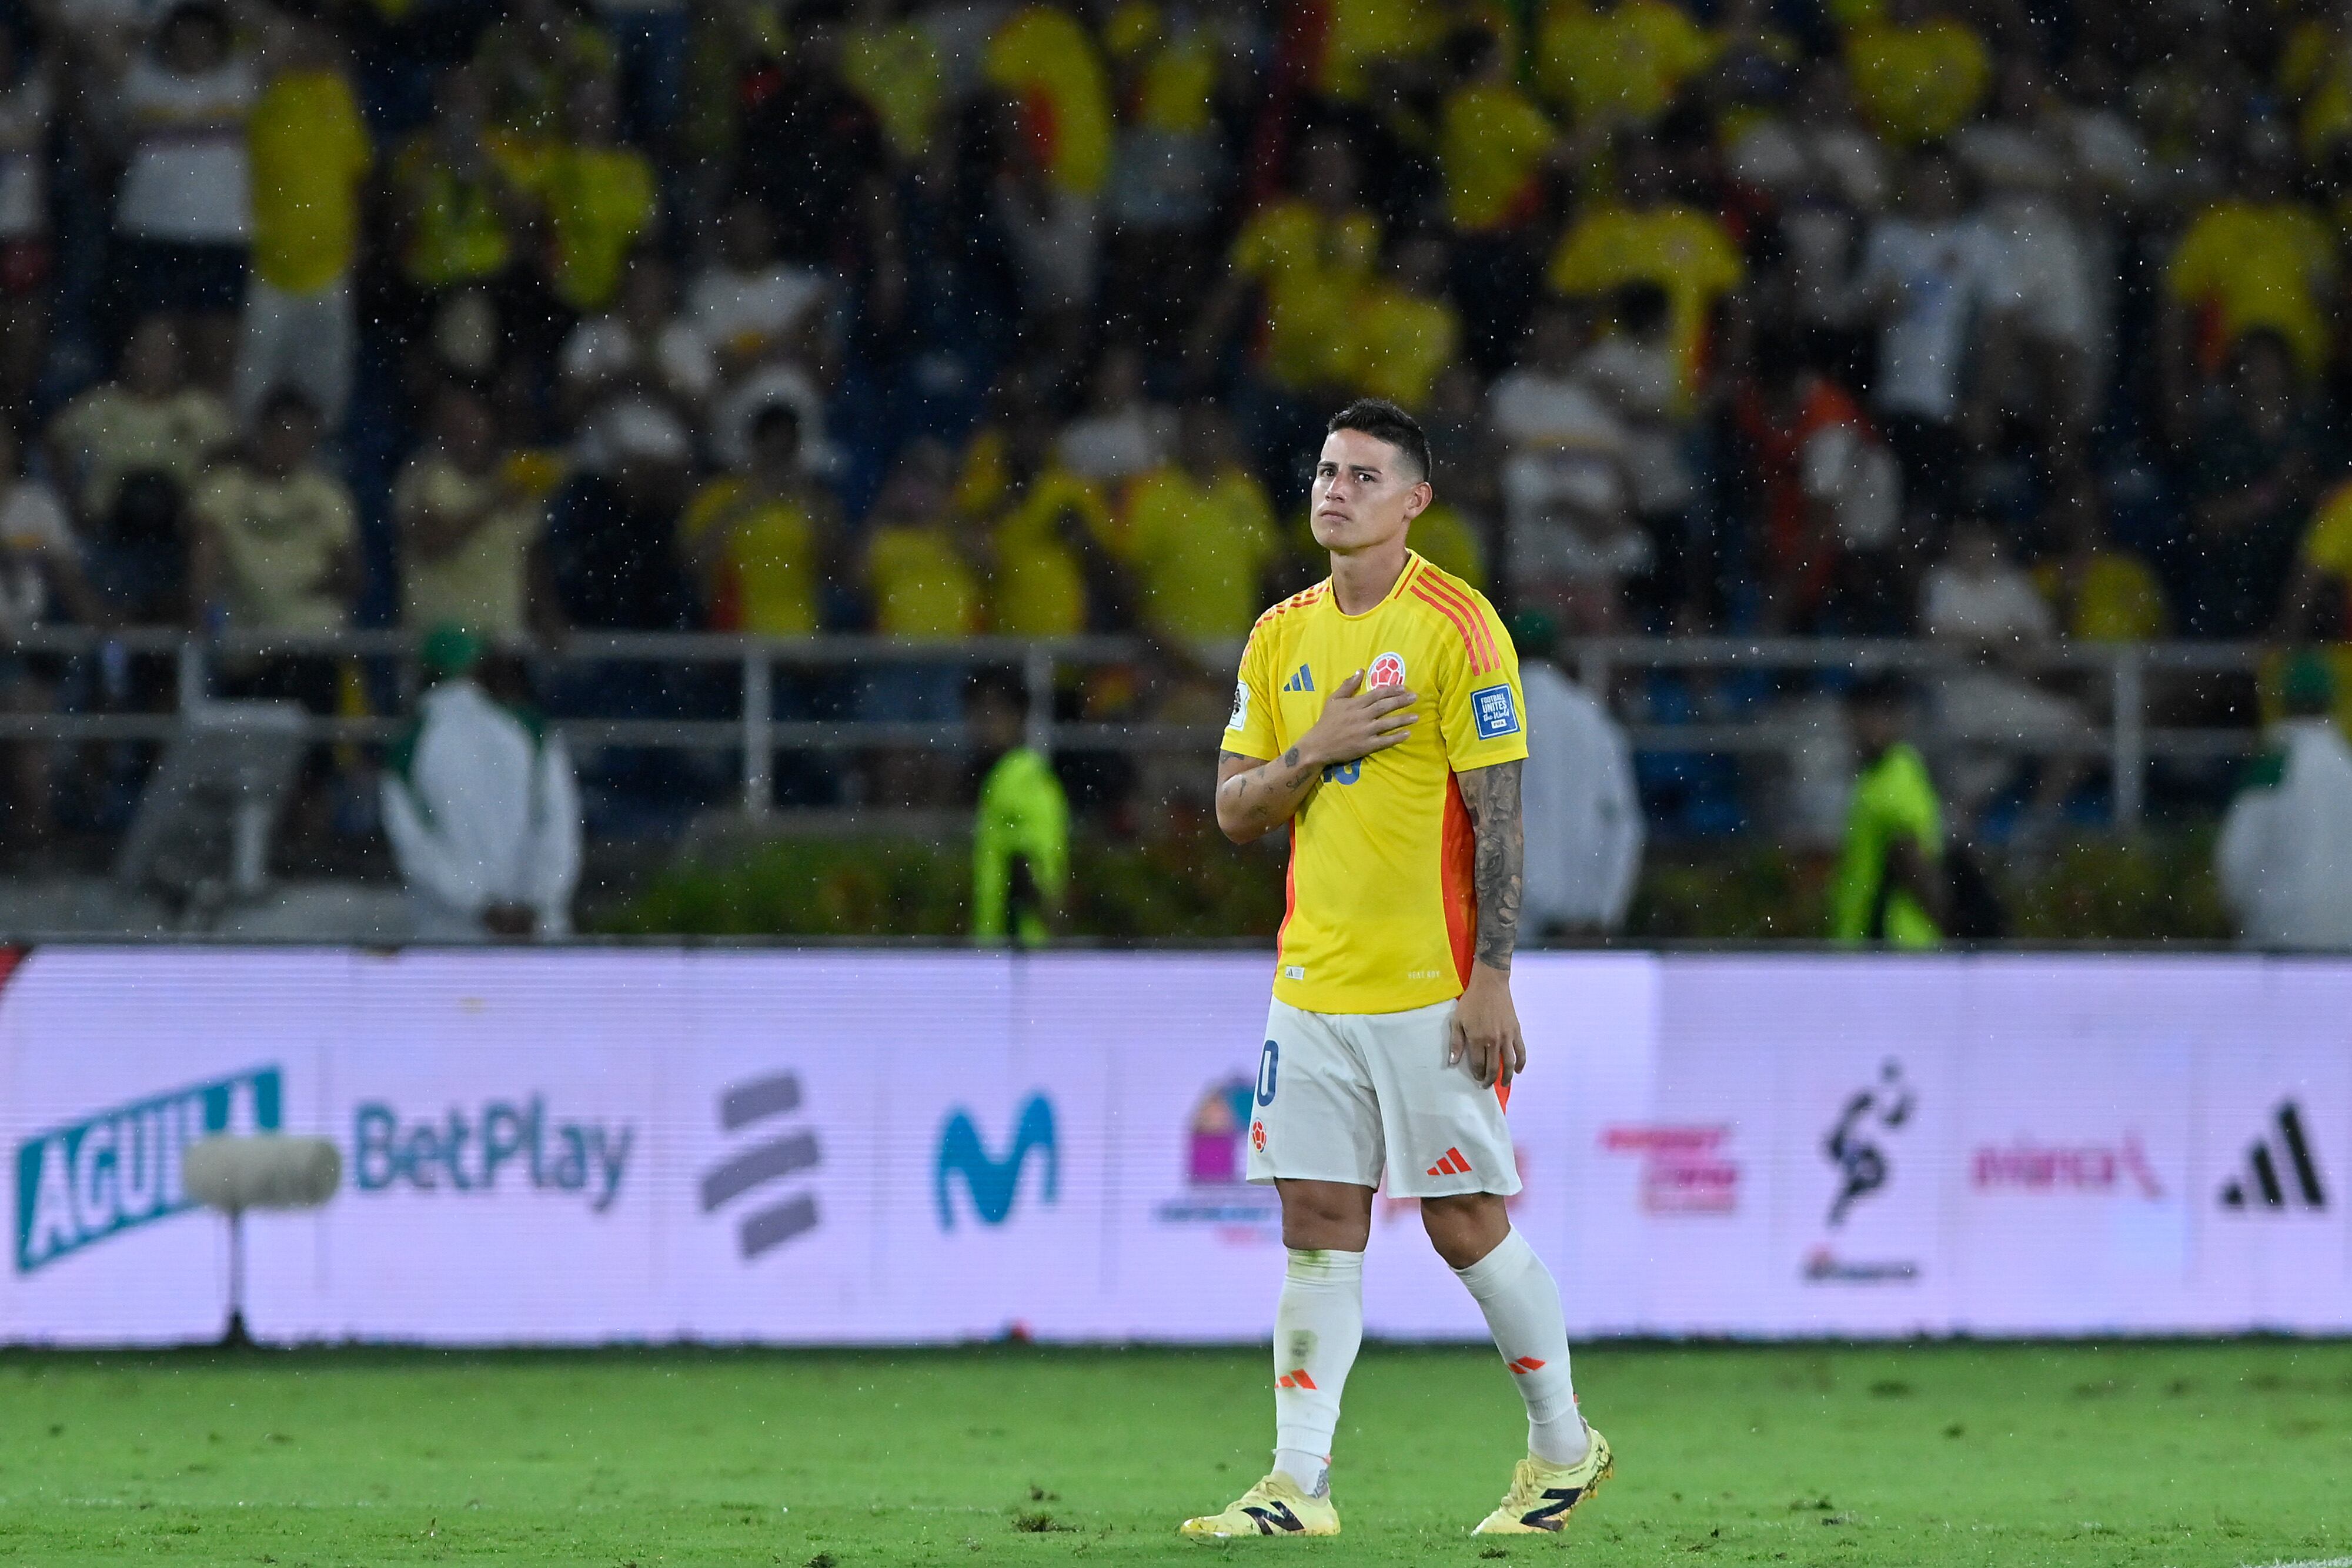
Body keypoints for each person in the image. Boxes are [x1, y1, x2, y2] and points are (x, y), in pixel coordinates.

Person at [1187, 399, 1610, 1540]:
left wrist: (1493, 978)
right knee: (1316, 1222)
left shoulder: (1457, 627)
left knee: (1463, 1220)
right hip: (1311, 988)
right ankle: (1297, 1484)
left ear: (1413, 499)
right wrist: (1313, 750)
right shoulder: (1278, 633)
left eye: (1362, 475)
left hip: (1430, 987)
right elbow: (1232, 809)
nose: (1335, 489)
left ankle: (1562, 1448)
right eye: (1325, 470)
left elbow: (1500, 818)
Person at [382, 627, 582, 942]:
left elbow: (415, 849)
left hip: (453, 937)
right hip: (538, 932)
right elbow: (559, 823)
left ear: (421, 674)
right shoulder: (530, 730)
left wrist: (482, 908)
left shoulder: (409, 746)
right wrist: (536, 901)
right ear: (480, 668)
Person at [1514, 613, 1643, 938]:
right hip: (1583, 926)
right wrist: (1605, 911)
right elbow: (1624, 824)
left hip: (1509, 928)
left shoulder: (1490, 717)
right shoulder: (1592, 717)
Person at [2217, 654, 2352, 951]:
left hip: (2281, 940)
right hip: (2345, 945)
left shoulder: (2274, 766)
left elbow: (2236, 860)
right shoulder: (2346, 764)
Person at [1829, 673, 1945, 948]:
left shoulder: (1893, 779)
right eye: (1862, 713)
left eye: (1880, 714)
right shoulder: (1881, 773)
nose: (1867, 725)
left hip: (1892, 947)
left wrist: (1950, 928)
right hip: (1882, 949)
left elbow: (1910, 859)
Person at [968, 668, 1068, 948]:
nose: (984, 724)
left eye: (994, 712)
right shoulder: (1016, 775)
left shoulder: (1018, 778)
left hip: (1017, 952)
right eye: (977, 712)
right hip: (1012, 952)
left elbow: (1022, 863)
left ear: (1019, 717)